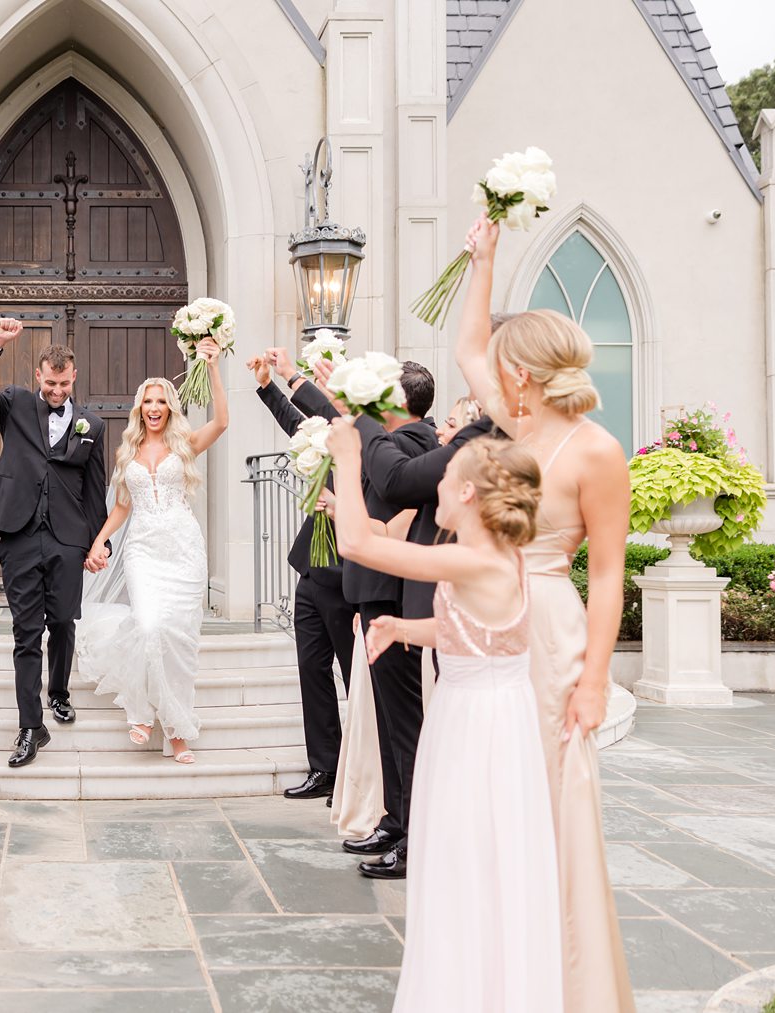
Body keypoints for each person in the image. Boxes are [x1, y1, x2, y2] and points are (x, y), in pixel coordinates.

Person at [455, 213, 636, 1013]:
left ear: (522, 373)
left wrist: (594, 679)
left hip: (553, 628)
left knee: (553, 796)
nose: (491, 373)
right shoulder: (518, 428)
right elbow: (466, 347)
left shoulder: (597, 451)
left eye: (503, 366)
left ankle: (567, 982)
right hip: (488, 625)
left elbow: (606, 574)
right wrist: (483, 262)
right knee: (495, 792)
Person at [332, 417, 561, 1013]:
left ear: (466, 493)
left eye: (446, 474)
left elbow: (358, 542)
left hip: (480, 729)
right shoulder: (490, 557)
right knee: (467, 861)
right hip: (478, 713)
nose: (433, 483)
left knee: (467, 861)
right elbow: (477, 633)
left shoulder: (479, 560)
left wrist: (346, 454)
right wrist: (403, 625)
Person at [271, 350, 439, 880]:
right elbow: (348, 433)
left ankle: (414, 834)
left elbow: (376, 461)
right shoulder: (388, 439)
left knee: (403, 726)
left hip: (393, 597)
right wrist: (306, 388)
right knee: (386, 722)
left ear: (400, 401)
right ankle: (394, 817)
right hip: (372, 595)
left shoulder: (415, 442)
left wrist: (338, 400)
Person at [0, 318, 109, 768]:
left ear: (74, 377)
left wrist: (97, 543)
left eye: (63, 384)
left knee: (63, 623)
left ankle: (59, 692)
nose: (56, 390)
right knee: (26, 633)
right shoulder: (17, 405)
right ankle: (30, 726)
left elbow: (94, 491)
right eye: (50, 383)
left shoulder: (92, 424)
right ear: (38, 377)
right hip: (20, 536)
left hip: (68, 540)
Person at [76, 346, 228, 763]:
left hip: (183, 550)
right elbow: (123, 507)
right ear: (140, 408)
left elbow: (223, 421)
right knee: (147, 626)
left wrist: (213, 367)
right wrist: (99, 540)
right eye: (148, 401)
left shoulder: (185, 445)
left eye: (162, 400)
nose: (155, 407)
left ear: (170, 407)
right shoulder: (129, 454)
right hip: (142, 550)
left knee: (177, 640)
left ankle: (177, 732)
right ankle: (142, 712)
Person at [248, 352, 356, 803]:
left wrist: (295, 376)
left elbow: (323, 412)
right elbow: (301, 425)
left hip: (348, 576)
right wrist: (268, 386)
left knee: (356, 678)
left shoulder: (372, 439)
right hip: (311, 569)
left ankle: (360, 773)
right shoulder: (334, 434)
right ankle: (324, 769)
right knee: (312, 671)